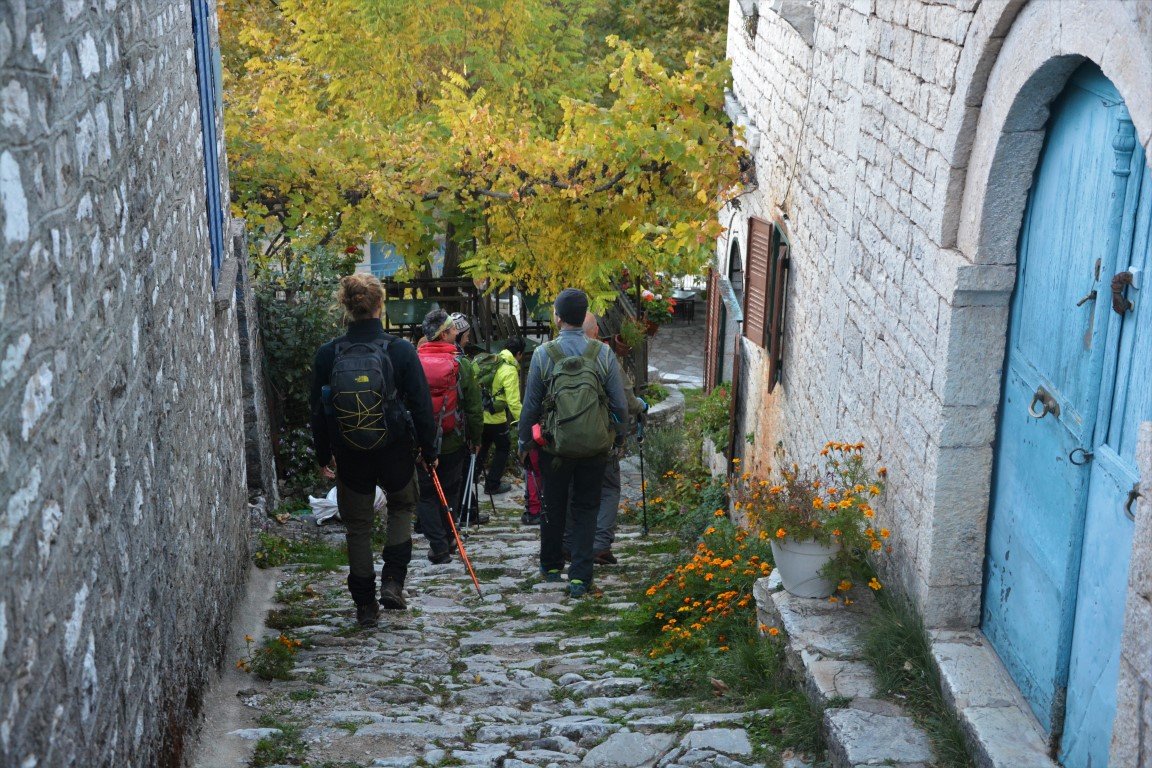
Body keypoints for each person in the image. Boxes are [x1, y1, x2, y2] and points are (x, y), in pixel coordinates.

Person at [310, 273, 437, 628]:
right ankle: (393, 581)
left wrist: (324, 455)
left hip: (350, 450)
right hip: (395, 446)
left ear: (346, 305)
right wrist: (429, 449)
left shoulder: (327, 354)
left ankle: (365, 604)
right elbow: (422, 405)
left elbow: (317, 412)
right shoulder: (400, 350)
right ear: (380, 305)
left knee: (358, 526)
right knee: (401, 506)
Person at [518, 288, 629, 598]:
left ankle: (551, 567)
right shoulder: (602, 354)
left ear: (557, 317)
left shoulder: (544, 354)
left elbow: (531, 406)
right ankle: (580, 578)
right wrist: (619, 436)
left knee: (553, 506)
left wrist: (524, 442)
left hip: (555, 447)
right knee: (586, 508)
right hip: (594, 447)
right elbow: (619, 404)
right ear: (584, 318)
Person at [563, 312, 645, 565]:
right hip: (600, 438)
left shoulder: (552, 353)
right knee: (609, 488)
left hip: (563, 439)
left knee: (569, 490)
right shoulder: (603, 355)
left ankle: (567, 543)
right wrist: (637, 410)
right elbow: (624, 400)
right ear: (596, 331)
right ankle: (599, 544)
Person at [415, 309, 483, 563]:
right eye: (453, 329)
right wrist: (476, 439)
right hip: (452, 439)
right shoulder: (461, 364)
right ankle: (449, 537)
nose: (457, 332)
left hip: (422, 442)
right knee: (450, 490)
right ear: (443, 334)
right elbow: (474, 409)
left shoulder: (413, 361)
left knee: (426, 494)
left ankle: (438, 545)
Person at [479, 336, 525, 496]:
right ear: (518, 353)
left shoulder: (494, 361)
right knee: (503, 447)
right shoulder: (510, 370)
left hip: (480, 415)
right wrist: (523, 421)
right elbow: (513, 402)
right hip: (496, 418)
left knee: (482, 447)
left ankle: (467, 480)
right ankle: (492, 484)